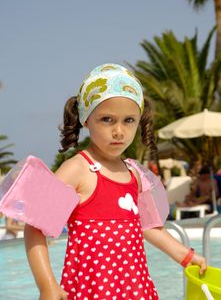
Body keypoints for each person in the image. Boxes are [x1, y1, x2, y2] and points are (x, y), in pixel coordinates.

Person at [24, 64, 206, 300]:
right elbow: (35, 226)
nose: (119, 131)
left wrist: (187, 257)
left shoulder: (135, 174)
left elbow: (150, 227)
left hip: (134, 288)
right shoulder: (77, 169)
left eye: (128, 120)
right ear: (86, 119)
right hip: (93, 289)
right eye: (107, 119)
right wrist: (47, 285)